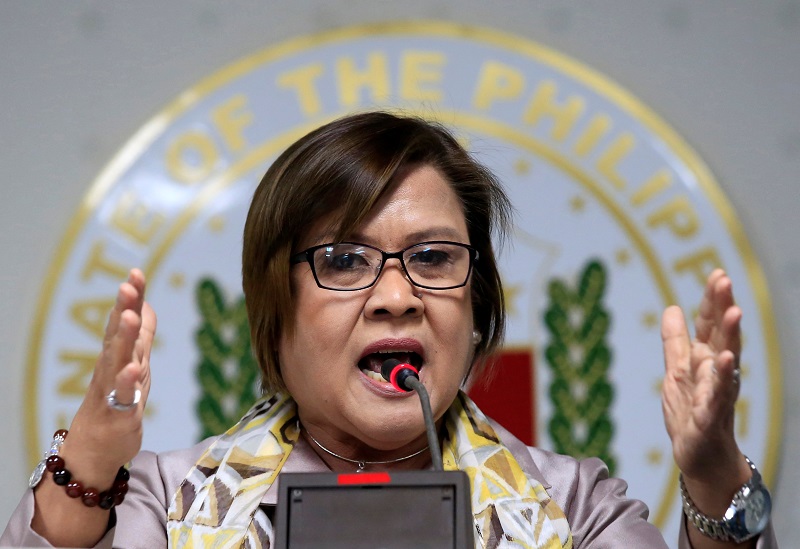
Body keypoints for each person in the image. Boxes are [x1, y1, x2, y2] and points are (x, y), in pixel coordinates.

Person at [1, 111, 777, 548]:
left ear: (477, 305)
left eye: (434, 257)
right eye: (344, 260)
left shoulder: (572, 505)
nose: (398, 296)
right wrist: (89, 462)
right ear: (274, 304)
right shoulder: (169, 502)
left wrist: (716, 474)